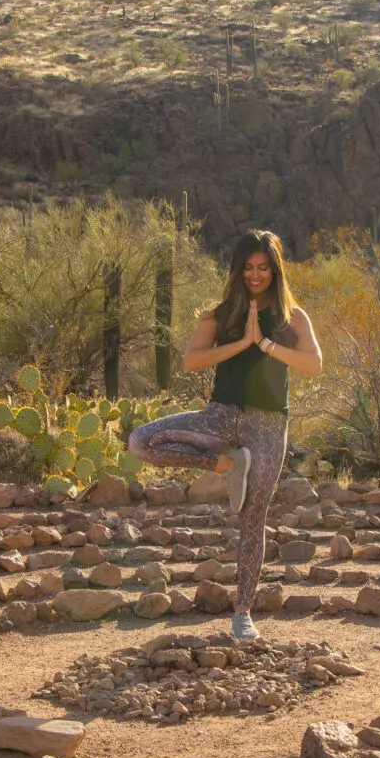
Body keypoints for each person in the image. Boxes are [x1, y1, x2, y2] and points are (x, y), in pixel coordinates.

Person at [124, 228, 325, 640]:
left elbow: (314, 364)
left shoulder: (293, 317)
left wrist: (266, 345)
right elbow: (192, 360)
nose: (255, 275)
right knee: (141, 441)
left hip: (269, 425)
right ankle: (227, 464)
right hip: (221, 415)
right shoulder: (218, 314)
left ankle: (243, 613)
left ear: (276, 270)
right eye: (248, 267)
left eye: (263, 268)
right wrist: (242, 343)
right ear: (237, 269)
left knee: (254, 518)